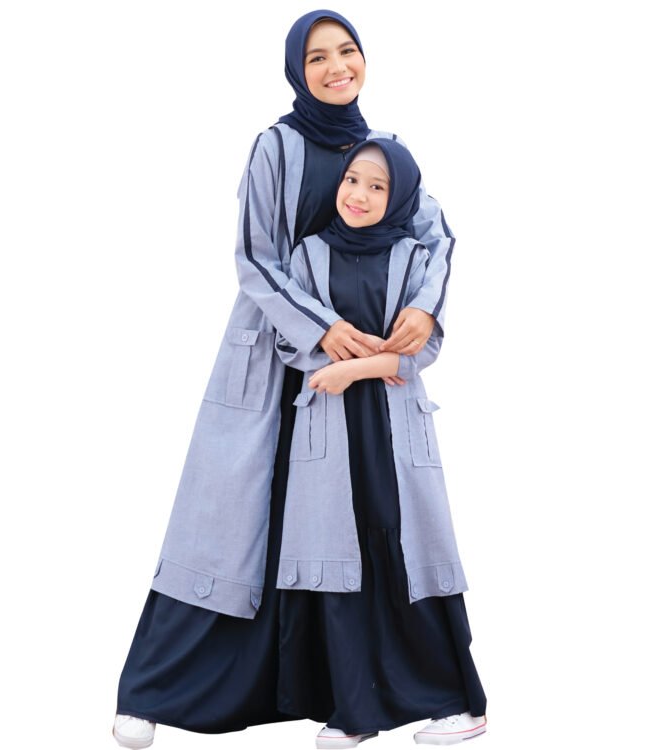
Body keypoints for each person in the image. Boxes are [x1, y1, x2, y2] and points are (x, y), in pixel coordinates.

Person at [113, 10, 479, 749]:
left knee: (360, 518)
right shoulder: (275, 146)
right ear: (295, 70)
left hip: (361, 373)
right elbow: (255, 257)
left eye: (348, 51)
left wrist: (422, 309)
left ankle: (356, 693)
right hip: (274, 357)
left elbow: (436, 234)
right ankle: (159, 690)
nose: (337, 67)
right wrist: (321, 328)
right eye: (317, 57)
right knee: (229, 521)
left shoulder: (385, 151)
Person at [272, 138, 487, 746]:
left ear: (400, 198)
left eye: (378, 186)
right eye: (352, 181)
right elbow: (288, 340)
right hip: (328, 429)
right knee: (341, 562)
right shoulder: (307, 255)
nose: (359, 196)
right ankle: (355, 711)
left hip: (392, 428)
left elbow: (424, 350)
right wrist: (341, 352)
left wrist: (354, 368)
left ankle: (458, 706)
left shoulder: (415, 258)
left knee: (408, 554)